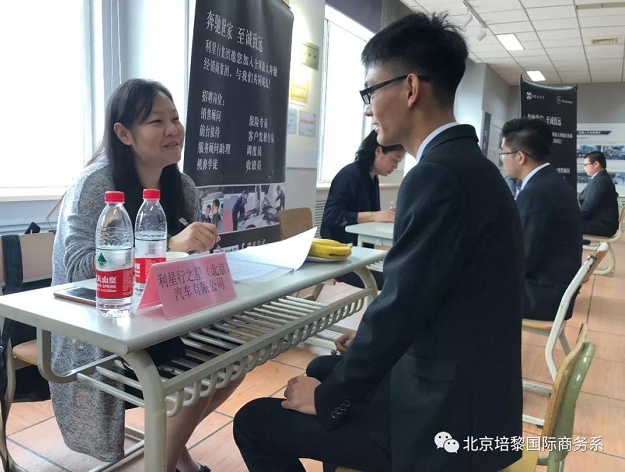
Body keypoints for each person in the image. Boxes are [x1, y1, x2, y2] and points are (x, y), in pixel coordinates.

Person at [233, 12, 524, 472]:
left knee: (253, 420)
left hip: (442, 423)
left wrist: (328, 400)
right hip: (474, 394)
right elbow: (422, 298)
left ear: (410, 88)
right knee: (322, 368)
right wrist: (357, 359)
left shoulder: (437, 175)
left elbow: (402, 305)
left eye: (370, 91)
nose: (367, 108)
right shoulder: (473, 167)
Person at [51, 79, 242, 472]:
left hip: (160, 317)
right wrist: (168, 244)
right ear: (124, 133)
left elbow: (184, 262)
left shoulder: (181, 185)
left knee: (233, 357)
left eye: (175, 119)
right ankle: (165, 462)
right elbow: (79, 269)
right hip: (98, 325)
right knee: (197, 373)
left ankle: (169, 449)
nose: (173, 130)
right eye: (157, 121)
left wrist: (199, 249)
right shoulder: (97, 185)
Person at [500, 118, 582, 322]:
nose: (502, 159)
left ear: (520, 157)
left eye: (504, 153)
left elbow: (523, 259)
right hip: (554, 288)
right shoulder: (551, 181)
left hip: (542, 295)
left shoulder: (536, 192)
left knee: (466, 286)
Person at [320, 129, 404, 289]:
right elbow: (331, 217)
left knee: (403, 270)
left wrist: (384, 216)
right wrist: (374, 216)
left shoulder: (372, 178)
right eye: (394, 160)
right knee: (396, 279)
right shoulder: (349, 175)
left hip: (360, 252)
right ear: (378, 151)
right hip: (339, 255)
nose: (395, 166)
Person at [579, 151, 619, 237]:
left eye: (585, 165)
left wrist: (573, 218)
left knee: (562, 225)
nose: (584, 168)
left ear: (596, 164)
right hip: (602, 223)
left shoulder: (599, 180)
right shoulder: (602, 178)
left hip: (601, 225)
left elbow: (589, 207)